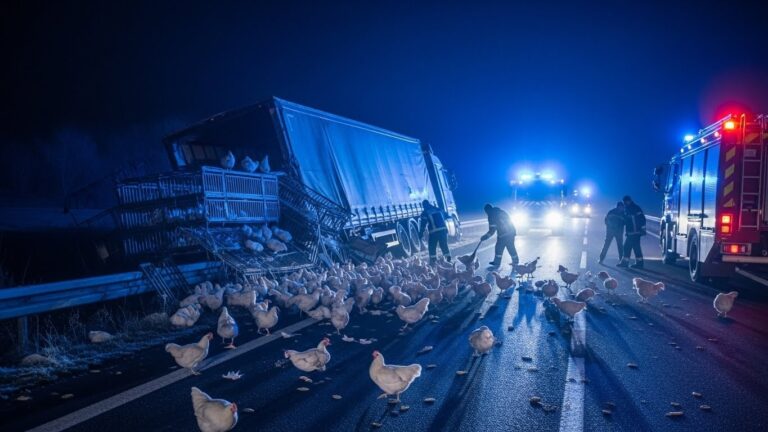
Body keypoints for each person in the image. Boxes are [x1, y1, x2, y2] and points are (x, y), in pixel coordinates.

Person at [480, 203, 519, 268]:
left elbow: (492, 230)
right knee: (510, 247)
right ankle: (515, 261)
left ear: (487, 210)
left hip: (503, 234)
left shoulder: (491, 215)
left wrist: (485, 237)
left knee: (499, 248)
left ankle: (497, 262)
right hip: (511, 232)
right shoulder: (500, 211)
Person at [617, 195, 646, 269]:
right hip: (632, 232)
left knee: (627, 247)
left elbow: (642, 219)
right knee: (635, 247)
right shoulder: (628, 208)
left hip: (635, 232)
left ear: (628, 201)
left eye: (625, 202)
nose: (624, 203)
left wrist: (642, 229)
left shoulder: (634, 208)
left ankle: (625, 263)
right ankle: (639, 263)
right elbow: (626, 220)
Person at [419, 200, 451, 265]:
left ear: (424, 205)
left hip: (434, 233)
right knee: (444, 245)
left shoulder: (425, 213)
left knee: (432, 247)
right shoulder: (438, 209)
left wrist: (420, 233)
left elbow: (423, 224)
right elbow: (447, 216)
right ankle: (448, 259)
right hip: (443, 230)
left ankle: (433, 261)